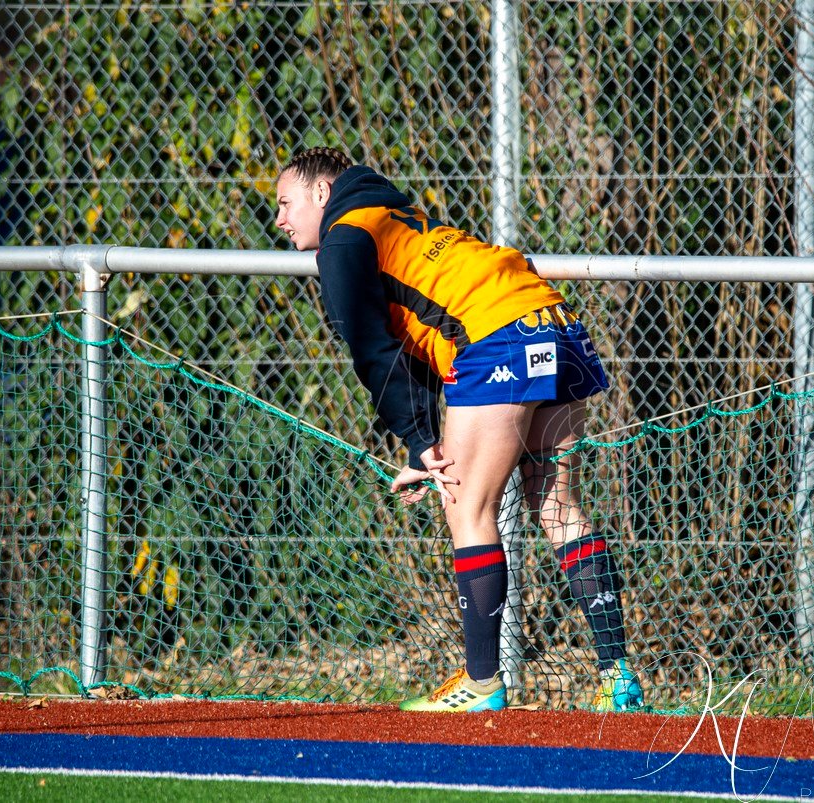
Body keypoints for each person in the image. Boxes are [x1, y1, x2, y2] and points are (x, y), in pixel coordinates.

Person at [274, 146, 643, 713]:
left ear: (321, 194)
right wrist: (426, 442)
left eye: (286, 203)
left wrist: (424, 444)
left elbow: (373, 352)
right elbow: (418, 340)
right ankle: (619, 680)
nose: (280, 219)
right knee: (556, 506)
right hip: (557, 325)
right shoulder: (395, 218)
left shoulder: (345, 238)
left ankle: (483, 683)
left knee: (466, 508)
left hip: (501, 339)